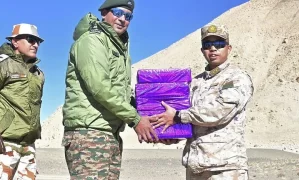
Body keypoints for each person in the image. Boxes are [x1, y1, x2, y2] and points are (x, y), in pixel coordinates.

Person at [61, 0, 158, 179]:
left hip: (109, 134)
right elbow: (100, 87)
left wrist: (153, 122)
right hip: (89, 134)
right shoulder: (92, 40)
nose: (122, 19)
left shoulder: (120, 48)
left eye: (128, 16)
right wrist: (136, 120)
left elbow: (123, 93)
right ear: (104, 12)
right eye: (118, 13)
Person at [152, 24, 254, 180]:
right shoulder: (195, 83)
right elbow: (189, 120)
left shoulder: (237, 77)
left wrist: (178, 117)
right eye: (207, 45)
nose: (213, 48)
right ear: (202, 50)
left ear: (229, 48)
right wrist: (172, 134)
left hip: (225, 168)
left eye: (219, 44)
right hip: (196, 167)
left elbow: (220, 112)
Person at [0, 23, 44, 180]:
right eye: (31, 40)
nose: (36, 45)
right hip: (5, 144)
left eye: (38, 41)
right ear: (15, 42)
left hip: (28, 145)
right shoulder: (3, 64)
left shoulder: (38, 74)